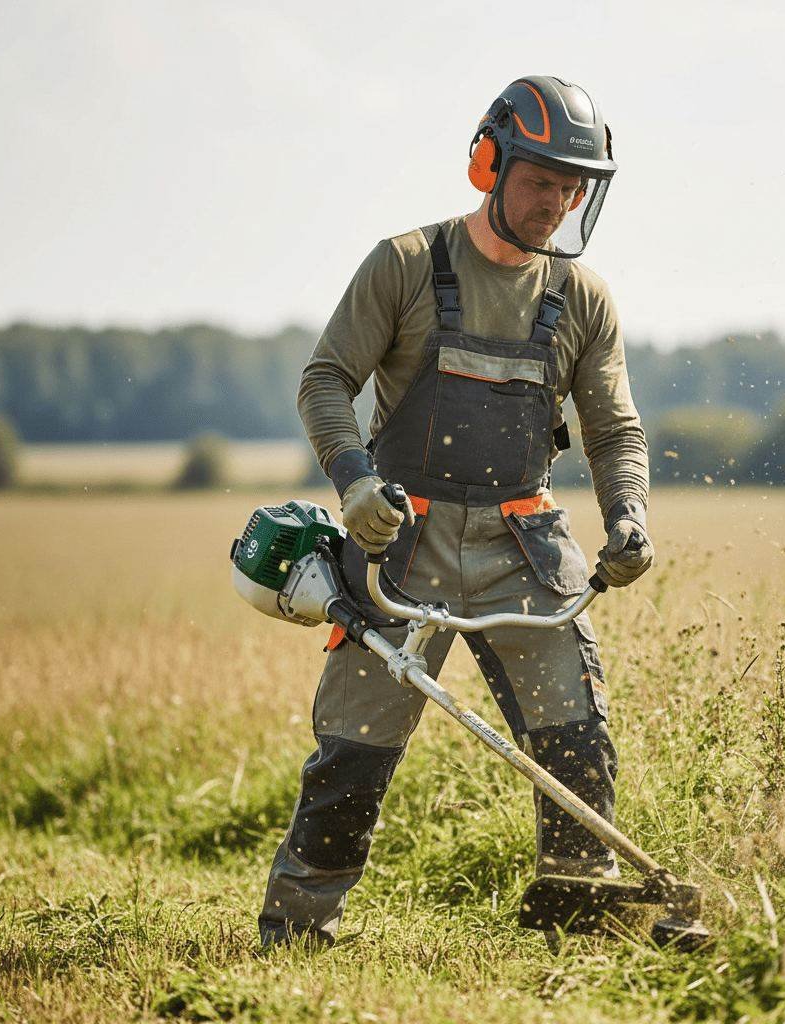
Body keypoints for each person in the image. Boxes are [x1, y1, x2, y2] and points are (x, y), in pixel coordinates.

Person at [259, 75, 654, 949]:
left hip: (528, 541)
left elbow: (615, 426)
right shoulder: (405, 264)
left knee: (576, 736)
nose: (558, 201)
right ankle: (296, 930)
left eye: (572, 185)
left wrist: (628, 516)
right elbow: (326, 379)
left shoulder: (583, 297)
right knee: (352, 755)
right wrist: (355, 481)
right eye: (542, 178)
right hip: (402, 537)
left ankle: (581, 916)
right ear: (490, 161)